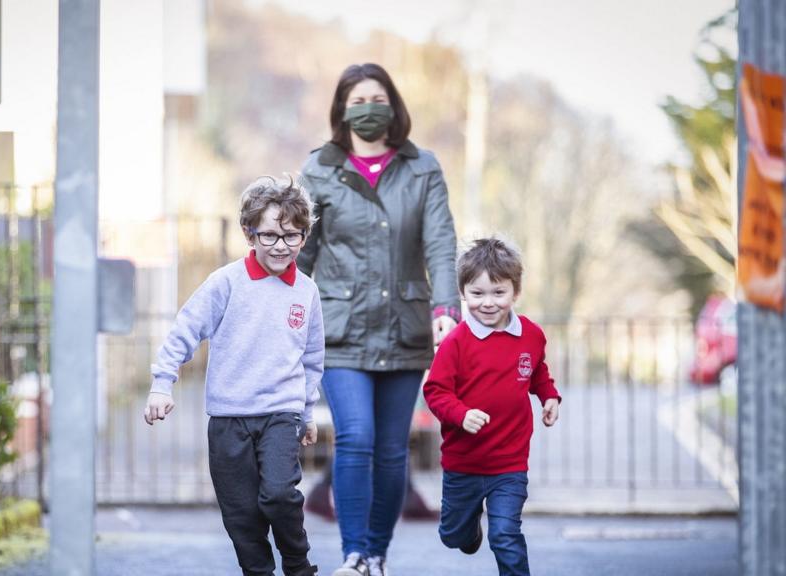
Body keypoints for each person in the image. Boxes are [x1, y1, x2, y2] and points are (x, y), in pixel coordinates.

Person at [297, 62, 462, 576]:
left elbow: (439, 242)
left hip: (405, 327)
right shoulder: (319, 170)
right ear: (342, 110)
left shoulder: (423, 168)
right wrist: (276, 311)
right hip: (340, 330)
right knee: (356, 437)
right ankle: (352, 555)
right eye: (358, 100)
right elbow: (302, 252)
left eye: (378, 99)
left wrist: (446, 309)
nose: (369, 109)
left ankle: (376, 554)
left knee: (393, 452)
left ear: (393, 105)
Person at [144, 176, 323, 576]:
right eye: (271, 235)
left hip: (281, 413)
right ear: (249, 233)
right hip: (228, 418)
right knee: (241, 517)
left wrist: (307, 410)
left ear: (304, 237)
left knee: (278, 495)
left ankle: (298, 564)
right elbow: (185, 330)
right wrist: (162, 383)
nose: (281, 246)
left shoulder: (306, 292)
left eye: (291, 236)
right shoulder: (225, 283)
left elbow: (312, 358)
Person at [423, 238, 561, 576]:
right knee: (453, 536)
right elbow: (435, 391)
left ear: (515, 293)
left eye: (498, 293)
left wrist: (549, 397)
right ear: (463, 293)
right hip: (463, 463)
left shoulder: (531, 335)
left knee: (506, 535)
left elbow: (537, 369)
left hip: (509, 463)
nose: (487, 303)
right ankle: (468, 531)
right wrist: (461, 414)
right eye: (477, 293)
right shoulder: (455, 342)